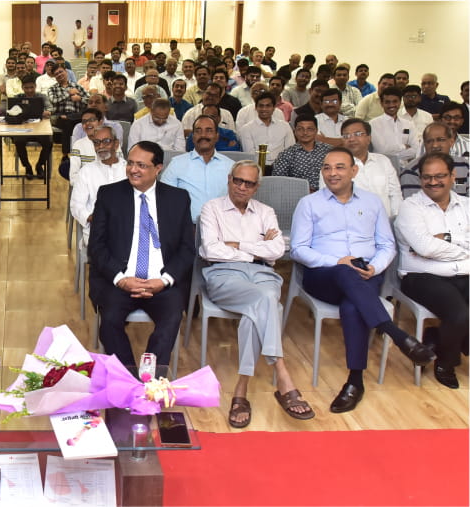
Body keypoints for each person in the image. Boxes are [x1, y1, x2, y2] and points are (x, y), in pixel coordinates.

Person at [290, 148, 436, 413]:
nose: (332, 173)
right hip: (323, 275)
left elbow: (387, 245)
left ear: (354, 171)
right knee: (345, 271)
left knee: (352, 306)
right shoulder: (309, 203)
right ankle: (398, 335)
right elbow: (298, 249)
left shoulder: (372, 202)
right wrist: (337, 262)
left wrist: (374, 267)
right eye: (327, 168)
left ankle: (354, 382)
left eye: (339, 167)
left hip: (365, 274)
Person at [200, 160, 314, 427]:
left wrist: (236, 244)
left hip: (263, 274)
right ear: (229, 180)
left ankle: (241, 389)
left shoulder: (265, 211)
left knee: (257, 311)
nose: (242, 187)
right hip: (224, 274)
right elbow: (212, 250)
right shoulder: (211, 208)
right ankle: (282, 374)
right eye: (238, 180)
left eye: (249, 183)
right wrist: (257, 248)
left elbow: (277, 250)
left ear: (256, 187)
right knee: (267, 302)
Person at [88, 141, 194, 367]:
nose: (133, 170)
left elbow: (187, 249)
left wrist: (164, 281)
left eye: (141, 165)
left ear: (158, 168)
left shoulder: (178, 198)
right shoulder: (109, 195)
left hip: (161, 281)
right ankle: (127, 378)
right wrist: (121, 279)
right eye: (130, 163)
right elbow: (96, 246)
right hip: (120, 280)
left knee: (171, 320)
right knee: (109, 322)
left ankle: (150, 379)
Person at [394, 152, 469, 388]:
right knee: (460, 315)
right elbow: (425, 247)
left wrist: (448, 238)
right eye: (427, 177)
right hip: (421, 277)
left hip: (464, 272)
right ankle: (446, 363)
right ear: (420, 178)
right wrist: (464, 249)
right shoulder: (410, 207)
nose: (433, 182)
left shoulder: (466, 205)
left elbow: (430, 247)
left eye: (440, 176)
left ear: (453, 176)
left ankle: (436, 337)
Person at [162, 115, 235, 221]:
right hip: (186, 226)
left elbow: (238, 201)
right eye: (198, 131)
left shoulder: (231, 166)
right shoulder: (177, 164)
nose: (203, 135)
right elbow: (164, 199)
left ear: (217, 136)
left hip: (223, 226)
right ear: (193, 136)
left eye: (209, 131)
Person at [70, 126, 126, 247]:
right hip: (97, 233)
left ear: (116, 144)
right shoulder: (86, 171)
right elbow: (76, 205)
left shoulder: (128, 170)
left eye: (106, 141)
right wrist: (94, 218)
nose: (101, 146)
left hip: (126, 229)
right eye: (96, 142)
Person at [400, 122, 468, 198]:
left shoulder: (465, 165)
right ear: (424, 144)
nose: (435, 145)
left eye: (440, 140)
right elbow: (412, 203)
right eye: (429, 141)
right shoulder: (411, 171)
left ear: (451, 142)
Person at [273, 115, 332, 191]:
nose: (305, 133)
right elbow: (278, 182)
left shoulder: (329, 151)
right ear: (295, 131)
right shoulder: (286, 155)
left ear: (316, 131)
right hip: (298, 195)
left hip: (329, 193)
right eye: (300, 129)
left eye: (309, 129)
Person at [10, 76, 53, 180]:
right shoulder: (17, 97)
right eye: (26, 88)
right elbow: (11, 110)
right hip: (23, 128)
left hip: (39, 128)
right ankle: (27, 166)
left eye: (31, 87)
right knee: (18, 141)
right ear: (22, 88)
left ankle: (39, 165)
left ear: (35, 86)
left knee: (48, 142)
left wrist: (47, 112)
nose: (29, 90)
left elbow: (50, 107)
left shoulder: (42, 97)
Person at [368, 87, 420, 169]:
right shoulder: (373, 124)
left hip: (405, 168)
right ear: (381, 103)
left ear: (400, 102)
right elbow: (382, 150)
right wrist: (404, 147)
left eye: (395, 101)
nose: (391, 105)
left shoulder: (409, 124)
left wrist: (395, 156)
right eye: (387, 102)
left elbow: (416, 149)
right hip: (381, 168)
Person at [239, 92, 295, 168]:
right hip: (257, 167)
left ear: (274, 107)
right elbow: (250, 155)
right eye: (261, 106)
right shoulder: (246, 129)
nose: (264, 109)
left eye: (268, 106)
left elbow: (290, 150)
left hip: (282, 167)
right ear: (256, 107)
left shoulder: (285, 126)